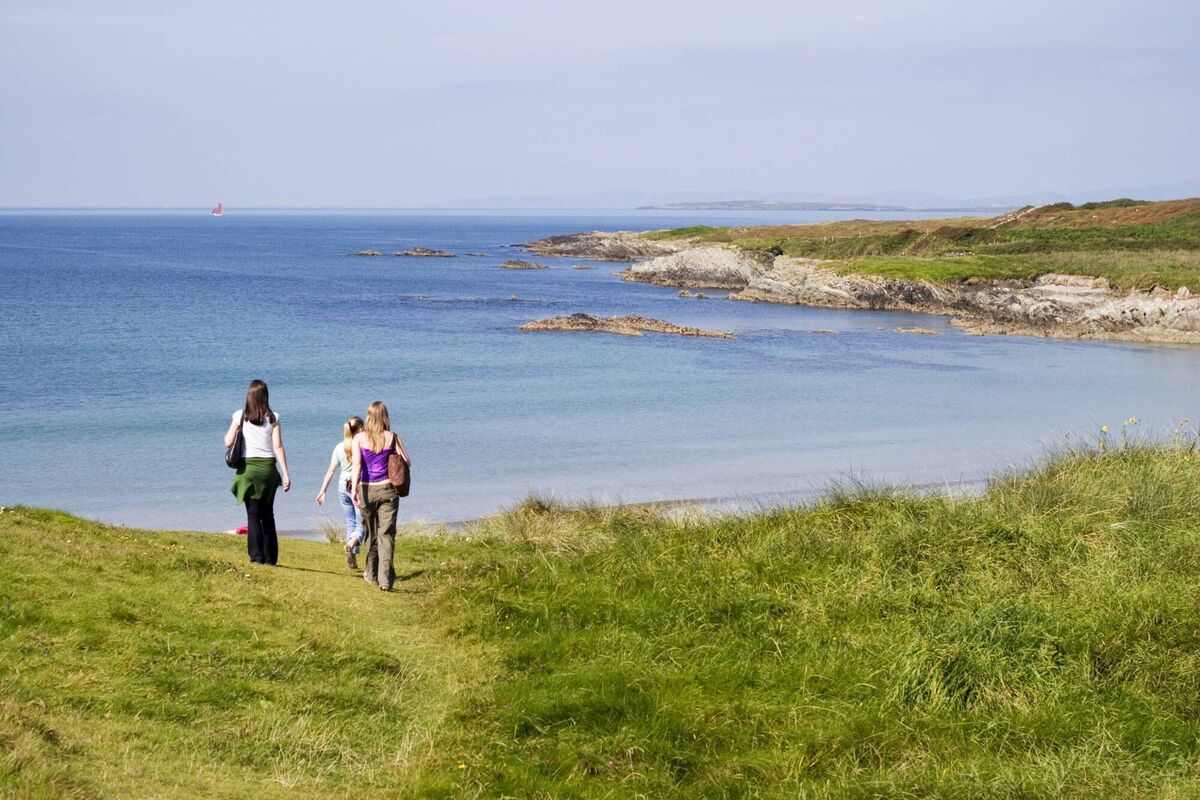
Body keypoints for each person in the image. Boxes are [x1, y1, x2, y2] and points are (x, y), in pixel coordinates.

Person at [225, 379, 291, 565]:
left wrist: (238, 430)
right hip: (269, 470)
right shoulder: (274, 417)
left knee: (253, 516)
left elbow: (227, 442)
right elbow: (278, 446)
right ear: (265, 396)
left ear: (249, 396)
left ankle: (257, 557)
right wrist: (285, 473)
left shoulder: (240, 416)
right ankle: (270, 558)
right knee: (268, 514)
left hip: (249, 470)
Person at [351, 401, 409, 591]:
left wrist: (353, 491)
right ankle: (385, 581)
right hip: (388, 490)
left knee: (371, 534)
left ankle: (371, 574)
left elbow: (357, 466)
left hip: (366, 489)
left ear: (368, 416)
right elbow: (406, 461)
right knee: (386, 535)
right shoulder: (392, 437)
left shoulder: (359, 438)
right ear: (385, 416)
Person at [316, 416, 364, 571]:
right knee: (362, 523)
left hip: (342, 486)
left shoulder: (339, 447)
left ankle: (353, 556)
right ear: (359, 429)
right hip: (356, 487)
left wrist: (323, 491)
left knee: (351, 523)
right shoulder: (361, 445)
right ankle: (351, 545)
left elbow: (331, 470)